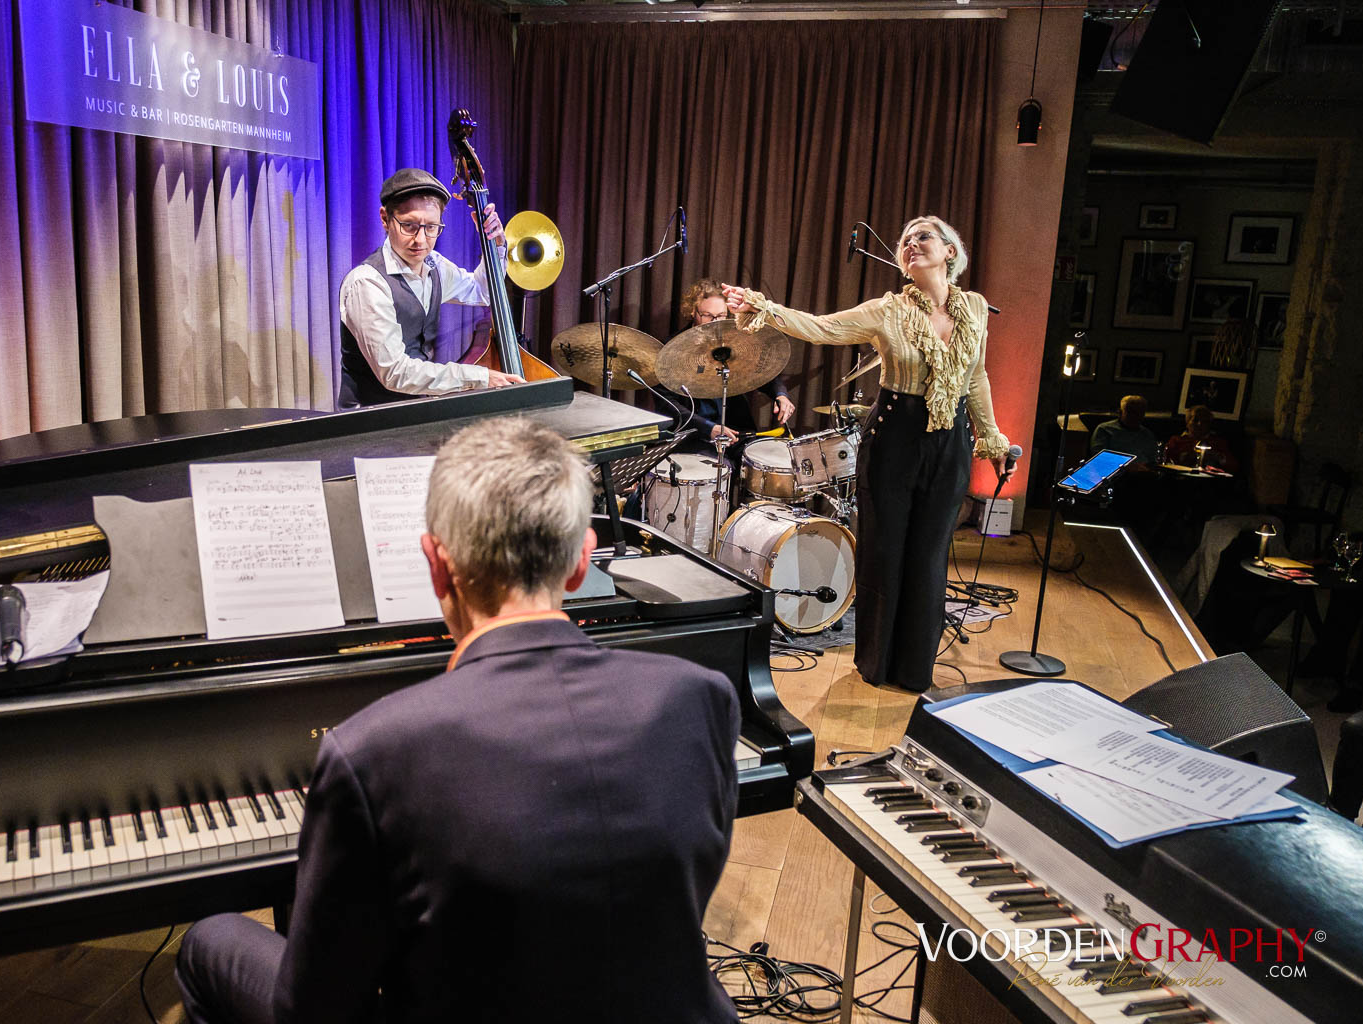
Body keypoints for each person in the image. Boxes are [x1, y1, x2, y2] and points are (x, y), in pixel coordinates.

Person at [175, 417, 742, 1024]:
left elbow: (313, 1013)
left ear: (436, 565)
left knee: (209, 941)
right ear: (582, 560)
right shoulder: (701, 699)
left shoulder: (372, 751)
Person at [722, 215, 1013, 693]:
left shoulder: (976, 308)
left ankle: (915, 670)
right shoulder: (886, 311)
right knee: (885, 551)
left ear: (950, 252)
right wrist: (762, 307)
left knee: (930, 556)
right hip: (893, 439)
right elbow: (819, 328)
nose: (911, 243)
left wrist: (992, 437)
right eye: (906, 240)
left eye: (923, 236)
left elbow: (977, 376)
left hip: (951, 442)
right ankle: (877, 665)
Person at [338, 168, 524, 407]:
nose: (420, 240)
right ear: (385, 219)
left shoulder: (435, 265)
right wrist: (481, 377)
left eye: (431, 227)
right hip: (370, 418)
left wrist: (495, 245)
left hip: (416, 409)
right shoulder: (367, 282)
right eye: (409, 226)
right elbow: (395, 372)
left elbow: (483, 292)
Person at [680, 280, 795, 451]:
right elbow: (668, 405)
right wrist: (708, 428)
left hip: (738, 433)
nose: (715, 322)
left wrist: (781, 395)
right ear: (692, 311)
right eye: (707, 315)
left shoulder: (737, 342)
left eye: (721, 315)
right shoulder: (672, 352)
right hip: (696, 436)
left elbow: (763, 372)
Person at [1089, 394, 1161, 467]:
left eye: (1140, 413)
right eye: (1131, 412)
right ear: (1120, 412)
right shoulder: (1105, 429)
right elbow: (1098, 457)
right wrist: (1127, 466)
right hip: (1116, 470)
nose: (1135, 416)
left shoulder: (1147, 434)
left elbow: (1153, 459)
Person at [1163, 405, 1238, 474]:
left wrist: (1218, 457)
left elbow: (1233, 467)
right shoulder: (1177, 440)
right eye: (1195, 420)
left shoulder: (1218, 442)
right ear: (1187, 422)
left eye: (1204, 421)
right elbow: (1165, 461)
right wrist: (1182, 457)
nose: (1199, 424)